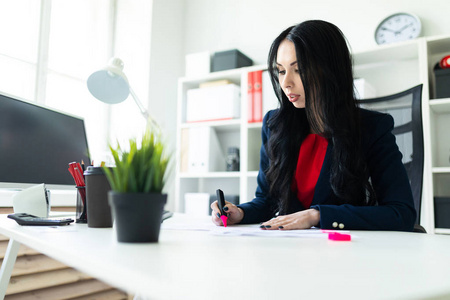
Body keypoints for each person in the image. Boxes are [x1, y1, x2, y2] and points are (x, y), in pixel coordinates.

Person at [211, 20, 416, 231]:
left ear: (330, 70)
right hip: (289, 249)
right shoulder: (275, 125)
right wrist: (241, 213)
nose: (286, 83)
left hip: (344, 251)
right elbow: (267, 200)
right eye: (281, 71)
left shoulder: (372, 128)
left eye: (298, 70)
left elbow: (401, 212)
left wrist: (318, 215)